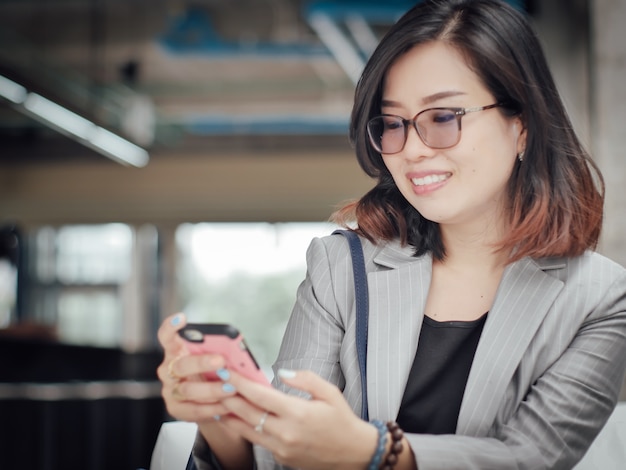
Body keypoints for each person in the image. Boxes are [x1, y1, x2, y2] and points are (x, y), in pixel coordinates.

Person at [157, 0, 626, 468]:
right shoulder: (340, 267)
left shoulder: (600, 299)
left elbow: (530, 459)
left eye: (443, 117)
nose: (413, 151)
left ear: (522, 125)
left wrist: (376, 451)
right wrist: (221, 417)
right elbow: (281, 456)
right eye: (394, 124)